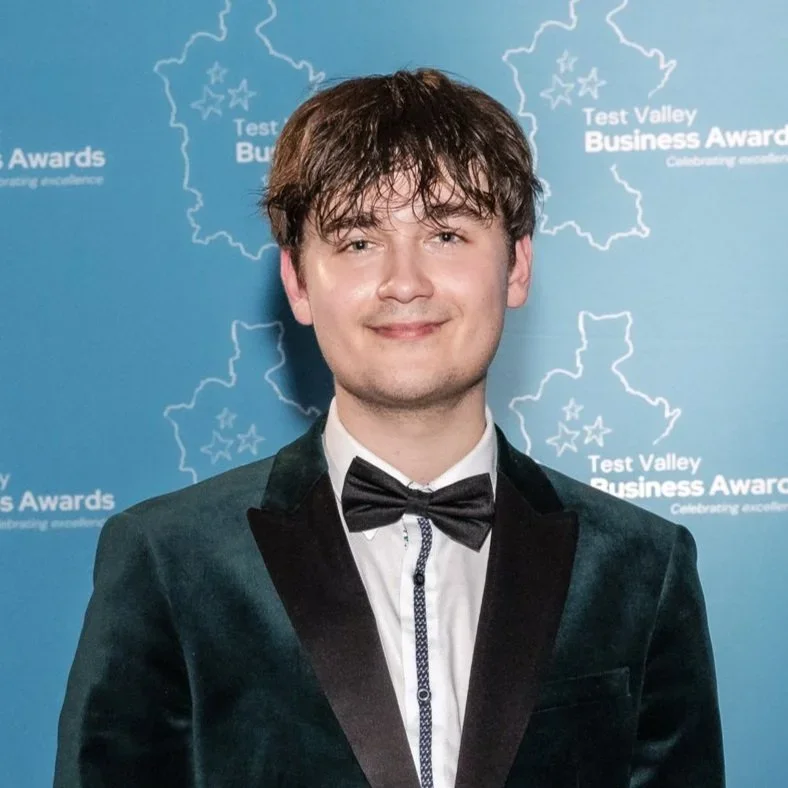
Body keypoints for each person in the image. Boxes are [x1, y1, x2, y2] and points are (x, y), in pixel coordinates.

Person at [55, 69, 724, 788]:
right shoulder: (168, 563)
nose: (405, 281)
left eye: (445, 233)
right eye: (357, 242)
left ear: (518, 265)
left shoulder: (642, 568)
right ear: (298, 283)